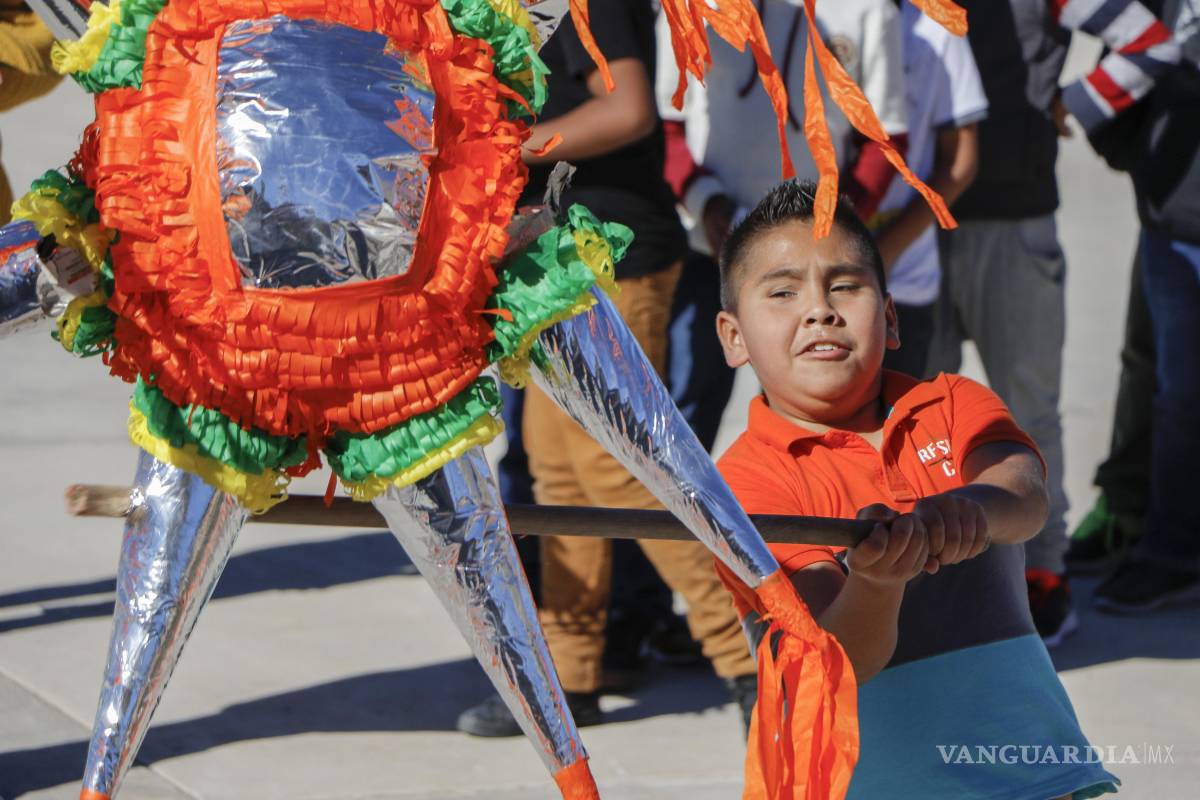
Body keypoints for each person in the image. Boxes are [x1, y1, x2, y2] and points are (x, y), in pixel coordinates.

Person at [713, 180, 1118, 798]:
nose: (820, 309)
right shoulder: (744, 482)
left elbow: (1025, 495)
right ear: (733, 337)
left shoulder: (953, 404)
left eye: (845, 285)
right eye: (783, 291)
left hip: (1032, 778)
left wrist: (967, 511)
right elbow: (839, 663)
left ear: (892, 316)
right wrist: (877, 583)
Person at [455, 0, 759, 738]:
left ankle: (752, 652)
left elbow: (627, 108)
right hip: (544, 257)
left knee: (618, 468)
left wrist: (509, 148)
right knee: (558, 475)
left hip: (614, 253)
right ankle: (572, 674)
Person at [923, 0, 1078, 647]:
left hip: (1012, 208)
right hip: (909, 210)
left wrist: (1085, 103)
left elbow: (1142, 26)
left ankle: (1042, 571)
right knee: (915, 413)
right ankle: (926, 567)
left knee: (1027, 405)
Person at [1051, 0, 1200, 610]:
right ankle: (1130, 511)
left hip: (1184, 215)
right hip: (1169, 212)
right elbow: (1139, 52)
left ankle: (1174, 553)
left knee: (1183, 395)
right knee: (1147, 367)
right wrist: (1108, 127)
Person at [681, 0, 909, 257]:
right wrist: (706, 201)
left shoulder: (871, 10)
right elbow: (667, 124)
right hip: (702, 243)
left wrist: (836, 222)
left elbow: (884, 140)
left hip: (812, 252)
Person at [873, 0, 986, 377]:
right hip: (814, 269)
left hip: (901, 278)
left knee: (900, 424)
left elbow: (961, 162)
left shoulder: (936, 23)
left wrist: (882, 251)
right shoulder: (803, 17)